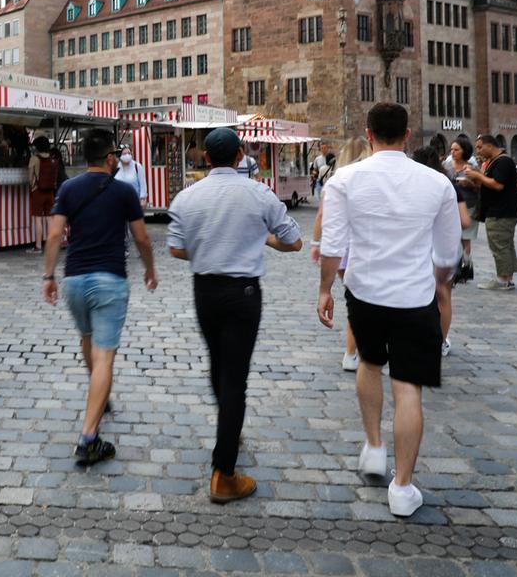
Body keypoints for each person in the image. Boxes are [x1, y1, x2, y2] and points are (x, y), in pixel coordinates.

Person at [317, 103, 461, 518]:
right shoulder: (436, 184)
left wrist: (325, 290)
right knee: (408, 387)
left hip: (364, 291)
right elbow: (449, 252)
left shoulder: (344, 179)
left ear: (369, 134)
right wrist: (437, 280)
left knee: (369, 362)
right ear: (408, 134)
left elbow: (333, 245)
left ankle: (374, 447)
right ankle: (402, 486)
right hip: (414, 296)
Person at [167, 127, 301, 503]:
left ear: (206, 158)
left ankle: (228, 422)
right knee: (235, 379)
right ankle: (224, 473)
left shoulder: (187, 197)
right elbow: (293, 241)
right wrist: (258, 240)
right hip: (243, 293)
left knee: (217, 363)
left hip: (206, 290)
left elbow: (176, 249)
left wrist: (211, 249)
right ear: (240, 154)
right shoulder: (259, 193)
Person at [41, 129, 157, 466]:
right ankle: (89, 438)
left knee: (87, 338)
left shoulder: (68, 188)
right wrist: (150, 270)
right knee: (105, 356)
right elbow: (142, 239)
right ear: (109, 158)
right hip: (109, 279)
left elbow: (53, 235)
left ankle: (99, 392)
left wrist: (49, 277)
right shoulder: (123, 191)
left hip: (74, 279)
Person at [310, 135, 370, 371]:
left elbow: (321, 215)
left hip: (342, 249)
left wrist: (316, 244)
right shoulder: (370, 179)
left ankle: (351, 352)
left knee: (354, 298)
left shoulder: (337, 180)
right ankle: (359, 349)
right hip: (364, 245)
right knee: (364, 299)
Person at [411, 145, 472, 357]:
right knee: (443, 296)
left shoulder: (411, 187)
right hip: (444, 248)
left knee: (417, 294)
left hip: (417, 247)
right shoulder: (449, 187)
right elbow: (465, 221)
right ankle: (441, 341)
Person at [465, 135, 517, 291]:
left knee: (499, 245)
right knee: (505, 244)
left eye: (479, 146)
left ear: (490, 146)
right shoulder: (493, 162)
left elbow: (497, 185)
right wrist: (476, 177)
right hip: (501, 210)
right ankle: (507, 277)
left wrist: (477, 176)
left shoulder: (503, 161)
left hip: (501, 211)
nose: (478, 150)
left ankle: (503, 280)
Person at [447, 135, 480, 283]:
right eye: (451, 149)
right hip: (451, 206)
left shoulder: (472, 168)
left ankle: (465, 268)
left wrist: (471, 184)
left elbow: (481, 188)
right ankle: (454, 268)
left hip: (469, 205)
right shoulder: (446, 166)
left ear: (464, 151)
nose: (453, 152)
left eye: (456, 150)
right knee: (454, 237)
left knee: (466, 238)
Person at [29, 136, 62, 253]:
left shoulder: (34, 158)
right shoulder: (52, 158)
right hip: (50, 192)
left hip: (38, 191)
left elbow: (30, 177)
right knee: (49, 219)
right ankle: (52, 245)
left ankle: (38, 246)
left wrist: (32, 186)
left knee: (38, 219)